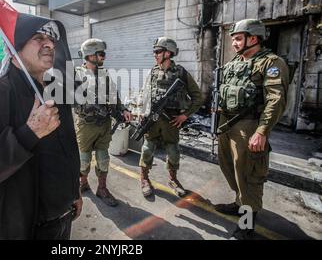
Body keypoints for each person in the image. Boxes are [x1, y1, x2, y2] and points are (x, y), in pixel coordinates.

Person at [0, 14, 82, 240]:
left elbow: (66, 149)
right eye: (39, 38)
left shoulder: (56, 91)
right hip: (20, 231)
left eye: (53, 41)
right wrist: (27, 135)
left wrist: (74, 192)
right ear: (14, 46)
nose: (49, 45)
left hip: (63, 219)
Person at [215, 19, 289, 240]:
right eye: (234, 39)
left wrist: (262, 131)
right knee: (230, 168)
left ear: (253, 38)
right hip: (227, 125)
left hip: (249, 127)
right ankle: (239, 203)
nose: (235, 43)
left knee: (249, 175)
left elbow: (275, 100)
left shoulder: (271, 63)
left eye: (238, 38)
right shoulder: (233, 64)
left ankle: (247, 223)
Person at [139, 37, 203, 198]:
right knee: (147, 149)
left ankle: (173, 179)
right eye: (154, 51)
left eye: (158, 51)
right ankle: (144, 179)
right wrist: (141, 111)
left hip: (171, 120)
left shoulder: (181, 73)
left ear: (168, 53)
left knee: (173, 151)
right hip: (152, 119)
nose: (155, 54)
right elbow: (144, 94)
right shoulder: (152, 72)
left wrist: (185, 115)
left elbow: (198, 97)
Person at [74, 38, 131, 207]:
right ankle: (82, 184)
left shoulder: (105, 74)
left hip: (104, 124)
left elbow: (115, 96)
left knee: (103, 157)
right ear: (90, 55)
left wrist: (123, 109)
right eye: (101, 54)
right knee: (83, 160)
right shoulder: (76, 75)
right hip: (86, 125)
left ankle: (102, 188)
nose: (104, 57)